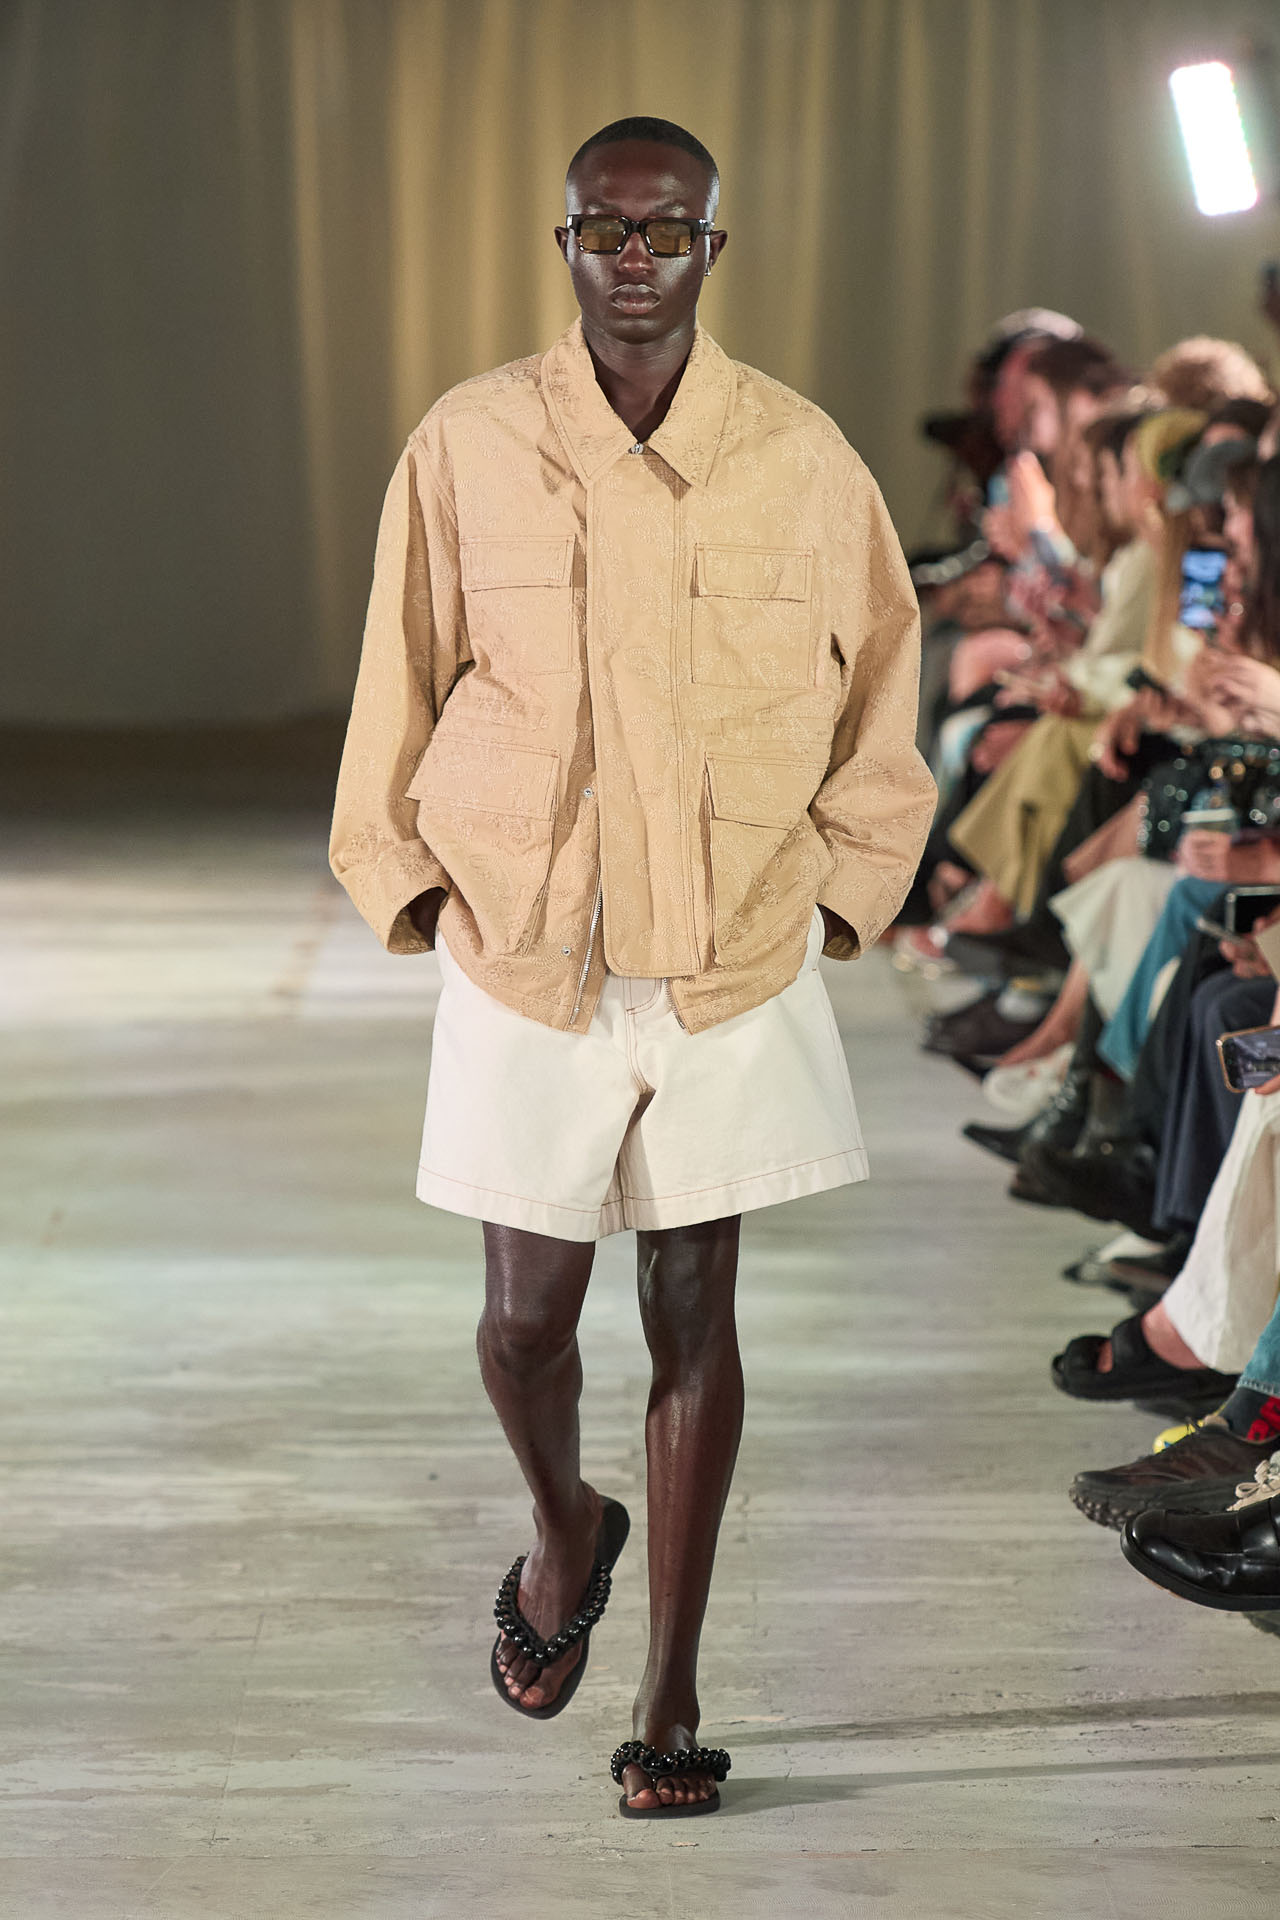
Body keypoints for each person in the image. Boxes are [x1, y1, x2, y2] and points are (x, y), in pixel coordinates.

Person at [329, 116, 935, 1818]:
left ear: (714, 250)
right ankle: (562, 1524)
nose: (638, 259)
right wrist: (409, 883)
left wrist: (843, 894)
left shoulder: (799, 454)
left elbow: (885, 679)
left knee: (693, 1310)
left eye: (670, 232)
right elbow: (398, 666)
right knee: (524, 1322)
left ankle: (669, 1698)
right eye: (607, 229)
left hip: (730, 942)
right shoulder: (471, 442)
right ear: (568, 245)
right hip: (532, 939)